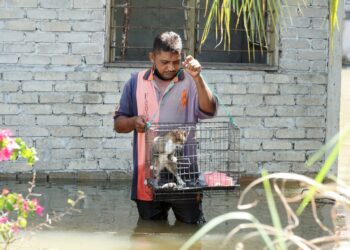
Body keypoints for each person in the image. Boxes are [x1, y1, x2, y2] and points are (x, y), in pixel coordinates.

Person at [114, 31, 218, 224]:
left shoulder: (192, 80)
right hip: (147, 176)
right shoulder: (135, 82)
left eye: (175, 62)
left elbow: (210, 110)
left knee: (190, 231)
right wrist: (133, 121)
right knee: (150, 234)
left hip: (185, 176)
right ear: (152, 57)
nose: (171, 67)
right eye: (164, 62)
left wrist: (198, 78)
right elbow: (119, 124)